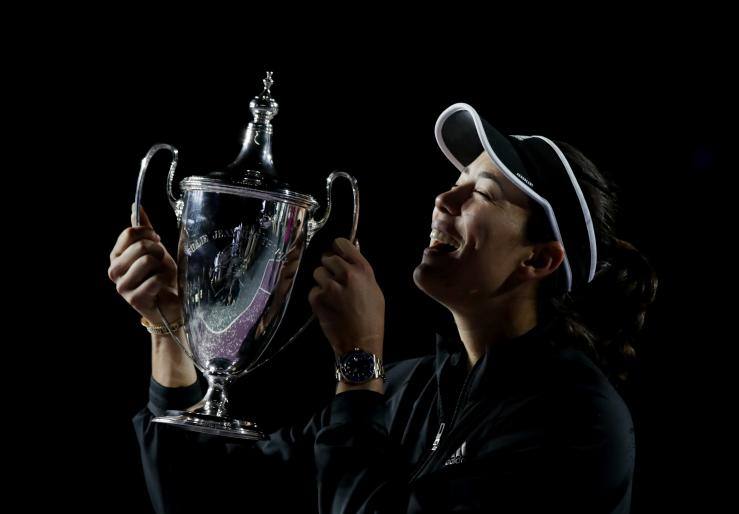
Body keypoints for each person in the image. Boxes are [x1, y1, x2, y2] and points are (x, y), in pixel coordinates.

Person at [108, 103, 659, 513]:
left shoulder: (577, 422)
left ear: (538, 260)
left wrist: (357, 362)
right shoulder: (407, 391)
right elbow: (200, 495)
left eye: (482, 193)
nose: (446, 198)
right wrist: (170, 329)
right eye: (456, 180)